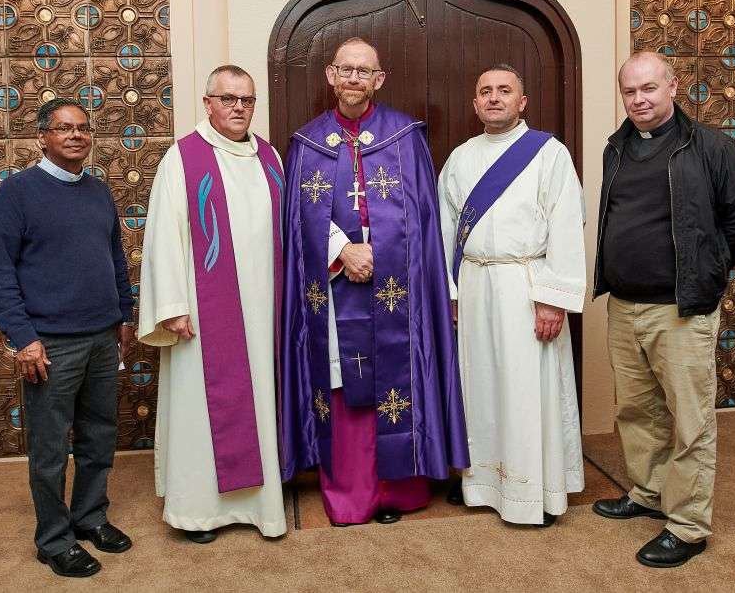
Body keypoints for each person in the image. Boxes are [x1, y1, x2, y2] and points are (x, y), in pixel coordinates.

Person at [280, 37, 469, 526]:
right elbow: (299, 220)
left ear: (379, 79)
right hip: (335, 287)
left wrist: (380, 255)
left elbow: (423, 221)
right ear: (330, 75)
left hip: (396, 290)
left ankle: (397, 491)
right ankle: (353, 494)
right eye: (346, 69)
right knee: (345, 386)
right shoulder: (307, 143)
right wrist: (342, 251)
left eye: (365, 71)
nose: (354, 79)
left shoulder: (404, 137)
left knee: (395, 376)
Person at [592, 51, 735, 567]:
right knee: (637, 411)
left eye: (649, 88)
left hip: (680, 310)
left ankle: (687, 526)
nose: (639, 100)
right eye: (629, 91)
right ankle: (647, 493)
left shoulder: (710, 146)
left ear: (673, 86)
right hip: (624, 306)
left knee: (690, 420)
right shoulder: (615, 148)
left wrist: (704, 273)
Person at [0, 97, 134, 578]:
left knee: (98, 438)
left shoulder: (98, 191)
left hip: (101, 337)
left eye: (84, 128)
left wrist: (124, 316)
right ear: (42, 136)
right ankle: (53, 539)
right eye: (64, 128)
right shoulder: (17, 193)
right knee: (50, 450)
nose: (76, 135)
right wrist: (23, 338)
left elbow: (115, 260)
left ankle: (90, 518)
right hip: (49, 343)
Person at [137, 65, 286, 544]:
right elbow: (163, 236)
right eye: (228, 98)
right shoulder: (183, 159)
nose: (239, 107)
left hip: (264, 309)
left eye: (247, 99)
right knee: (203, 410)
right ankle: (199, 510)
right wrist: (172, 304)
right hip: (206, 311)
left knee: (261, 398)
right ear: (207, 103)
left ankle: (260, 506)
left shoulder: (269, 156)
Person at [438, 64, 586, 527]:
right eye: (485, 91)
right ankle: (481, 483)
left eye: (505, 90)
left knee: (528, 390)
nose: (495, 98)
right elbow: (443, 233)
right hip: (476, 285)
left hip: (527, 285)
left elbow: (566, 228)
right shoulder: (460, 158)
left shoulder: (549, 154)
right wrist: (452, 293)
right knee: (478, 386)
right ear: (475, 102)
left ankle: (533, 492)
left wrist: (553, 298)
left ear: (522, 101)